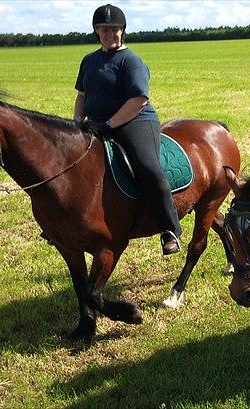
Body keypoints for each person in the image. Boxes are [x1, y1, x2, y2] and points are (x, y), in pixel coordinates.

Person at [74, 4, 182, 255]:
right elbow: (82, 95)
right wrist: (77, 124)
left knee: (149, 168)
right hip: (96, 124)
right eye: (103, 29)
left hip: (135, 121)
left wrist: (109, 125)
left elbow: (138, 100)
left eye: (114, 29)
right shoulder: (89, 61)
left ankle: (169, 229)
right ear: (96, 31)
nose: (109, 34)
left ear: (123, 31)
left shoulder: (130, 61)